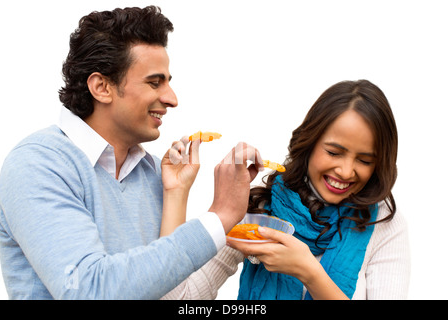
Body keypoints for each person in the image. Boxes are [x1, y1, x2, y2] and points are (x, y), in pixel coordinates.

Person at [0, 6, 263, 299]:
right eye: (154, 82)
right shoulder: (38, 164)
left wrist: (241, 219)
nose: (171, 99)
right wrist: (220, 215)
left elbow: (171, 297)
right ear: (101, 87)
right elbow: (89, 290)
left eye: (168, 82)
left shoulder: (149, 172)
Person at [162, 79, 410, 300]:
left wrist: (310, 273)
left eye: (365, 161)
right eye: (334, 152)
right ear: (310, 143)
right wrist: (180, 193)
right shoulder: (265, 206)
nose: (346, 171)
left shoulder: (383, 222)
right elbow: (178, 298)